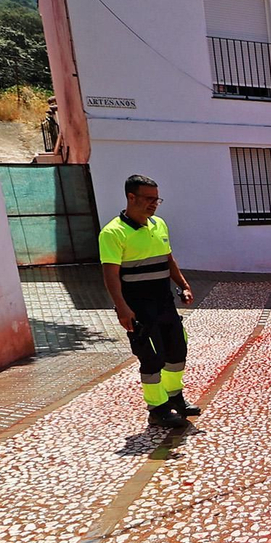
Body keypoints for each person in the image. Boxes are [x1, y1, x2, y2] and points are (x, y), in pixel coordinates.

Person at [100, 175, 200, 431]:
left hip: (164, 302)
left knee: (177, 351)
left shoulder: (159, 225)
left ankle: (174, 396)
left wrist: (183, 285)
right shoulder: (113, 233)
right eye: (148, 199)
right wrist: (121, 307)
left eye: (156, 199)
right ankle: (157, 409)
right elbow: (110, 274)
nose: (154, 204)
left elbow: (169, 259)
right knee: (152, 359)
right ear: (131, 197)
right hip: (138, 307)